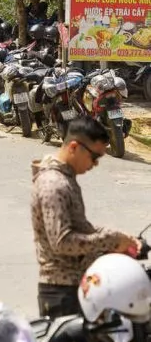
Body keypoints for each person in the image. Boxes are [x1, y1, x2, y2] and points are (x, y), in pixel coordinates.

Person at [31, 116, 141, 318]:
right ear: (74, 147)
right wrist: (110, 240)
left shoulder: (65, 178)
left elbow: (79, 227)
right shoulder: (54, 184)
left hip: (75, 286)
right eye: (94, 157)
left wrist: (116, 236)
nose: (95, 164)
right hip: (62, 292)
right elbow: (63, 242)